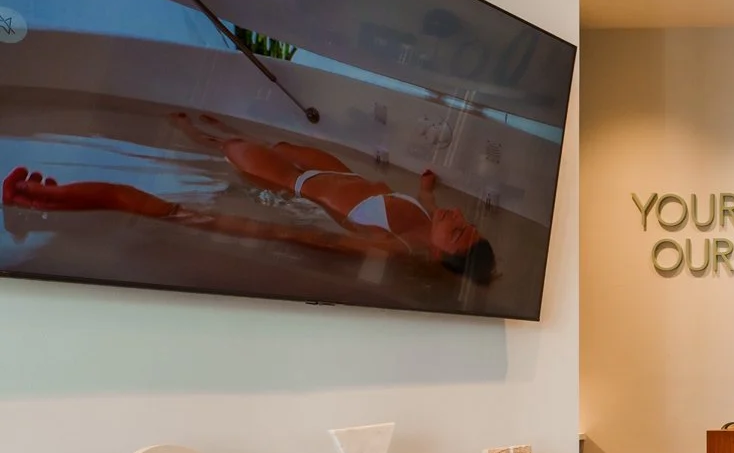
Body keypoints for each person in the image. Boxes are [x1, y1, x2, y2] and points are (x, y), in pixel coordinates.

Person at [3, 111, 494, 282]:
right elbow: (430, 204)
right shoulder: (429, 224)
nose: (456, 217)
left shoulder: (392, 246)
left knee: (235, 150)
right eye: (467, 223)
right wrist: (429, 187)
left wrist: (220, 223)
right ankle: (213, 131)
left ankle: (196, 133)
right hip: (334, 171)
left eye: (457, 230)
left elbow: (313, 240)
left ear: (437, 253)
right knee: (266, 142)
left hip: (293, 183)